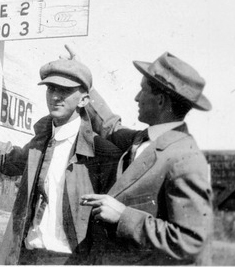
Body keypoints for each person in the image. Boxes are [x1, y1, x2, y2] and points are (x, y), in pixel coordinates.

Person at [0, 58, 123, 265]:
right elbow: (9, 160)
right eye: (51, 89)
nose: (55, 97)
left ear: (84, 100)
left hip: (70, 260)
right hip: (29, 256)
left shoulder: (103, 153)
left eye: (64, 91)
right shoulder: (42, 142)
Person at [73, 49, 214, 265]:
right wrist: (84, 84)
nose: (136, 98)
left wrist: (123, 216)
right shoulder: (146, 139)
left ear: (161, 101)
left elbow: (191, 242)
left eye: (142, 90)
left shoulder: (185, 157)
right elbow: (110, 126)